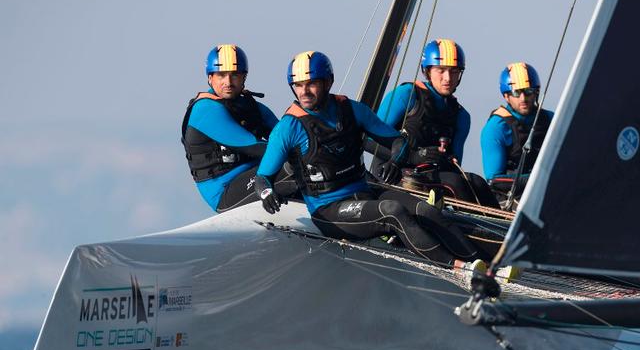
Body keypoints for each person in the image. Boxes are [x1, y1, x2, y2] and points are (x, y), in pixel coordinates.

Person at [253, 50, 491, 273]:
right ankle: (461, 270)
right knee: (392, 210)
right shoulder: (288, 127)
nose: (304, 92)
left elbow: (399, 141)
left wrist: (395, 162)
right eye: (298, 85)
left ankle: (486, 268)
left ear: (328, 82)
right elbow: (263, 177)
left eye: (311, 84)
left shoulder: (353, 110)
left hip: (363, 192)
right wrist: (266, 194)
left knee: (424, 209)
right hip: (329, 209)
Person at [375, 38, 500, 209]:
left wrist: (444, 158)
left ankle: (504, 231)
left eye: (454, 71)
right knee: (455, 182)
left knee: (477, 182)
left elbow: (455, 166)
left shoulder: (461, 116)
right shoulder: (407, 94)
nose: (448, 78)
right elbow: (369, 140)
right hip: (393, 171)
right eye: (441, 70)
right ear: (427, 71)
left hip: (432, 177)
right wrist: (414, 155)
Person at [181, 44, 297, 213]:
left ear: (244, 77)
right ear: (210, 78)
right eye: (221, 75)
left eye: (234, 75)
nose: (228, 82)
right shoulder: (205, 109)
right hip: (225, 192)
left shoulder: (252, 107)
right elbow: (253, 146)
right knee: (294, 164)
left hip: (257, 175)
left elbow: (288, 136)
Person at [481, 62, 554, 203]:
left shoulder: (551, 120)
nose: (523, 98)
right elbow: (494, 180)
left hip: (549, 191)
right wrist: (535, 178)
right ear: (506, 96)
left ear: (536, 92)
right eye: (516, 93)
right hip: (510, 199)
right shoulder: (495, 128)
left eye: (528, 91)